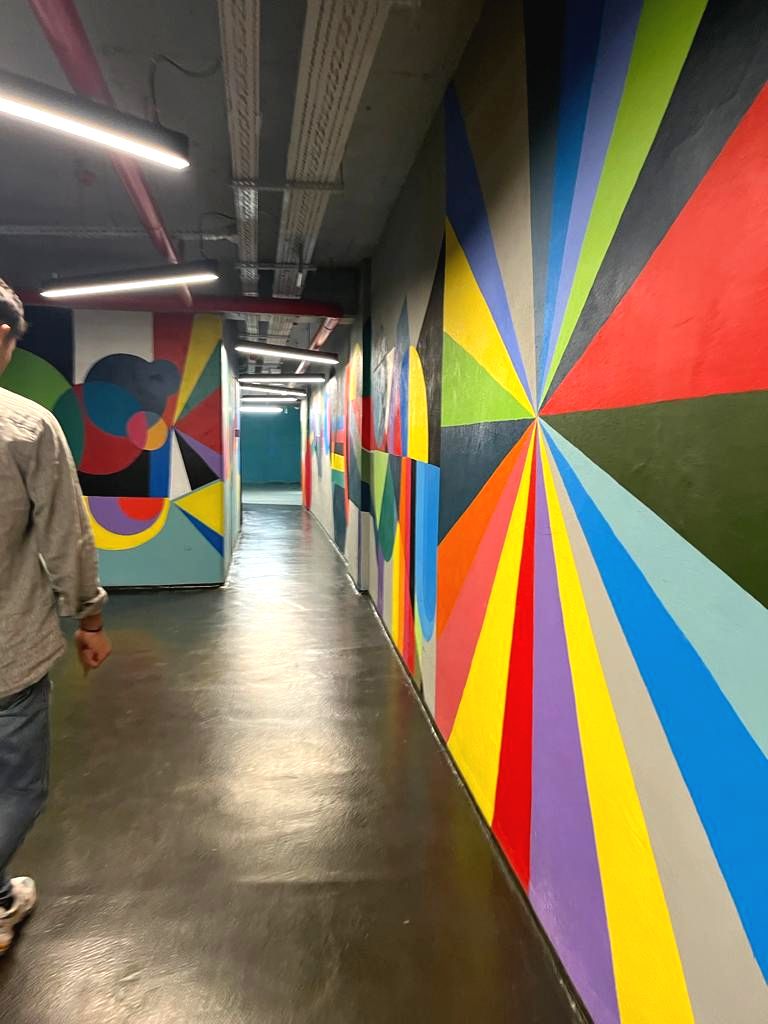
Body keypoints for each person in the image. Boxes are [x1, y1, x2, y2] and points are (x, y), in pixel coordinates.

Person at [0, 279, 111, 955]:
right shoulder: (26, 427)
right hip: (8, 654)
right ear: (4, 339)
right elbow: (65, 535)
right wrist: (89, 619)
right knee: (18, 788)